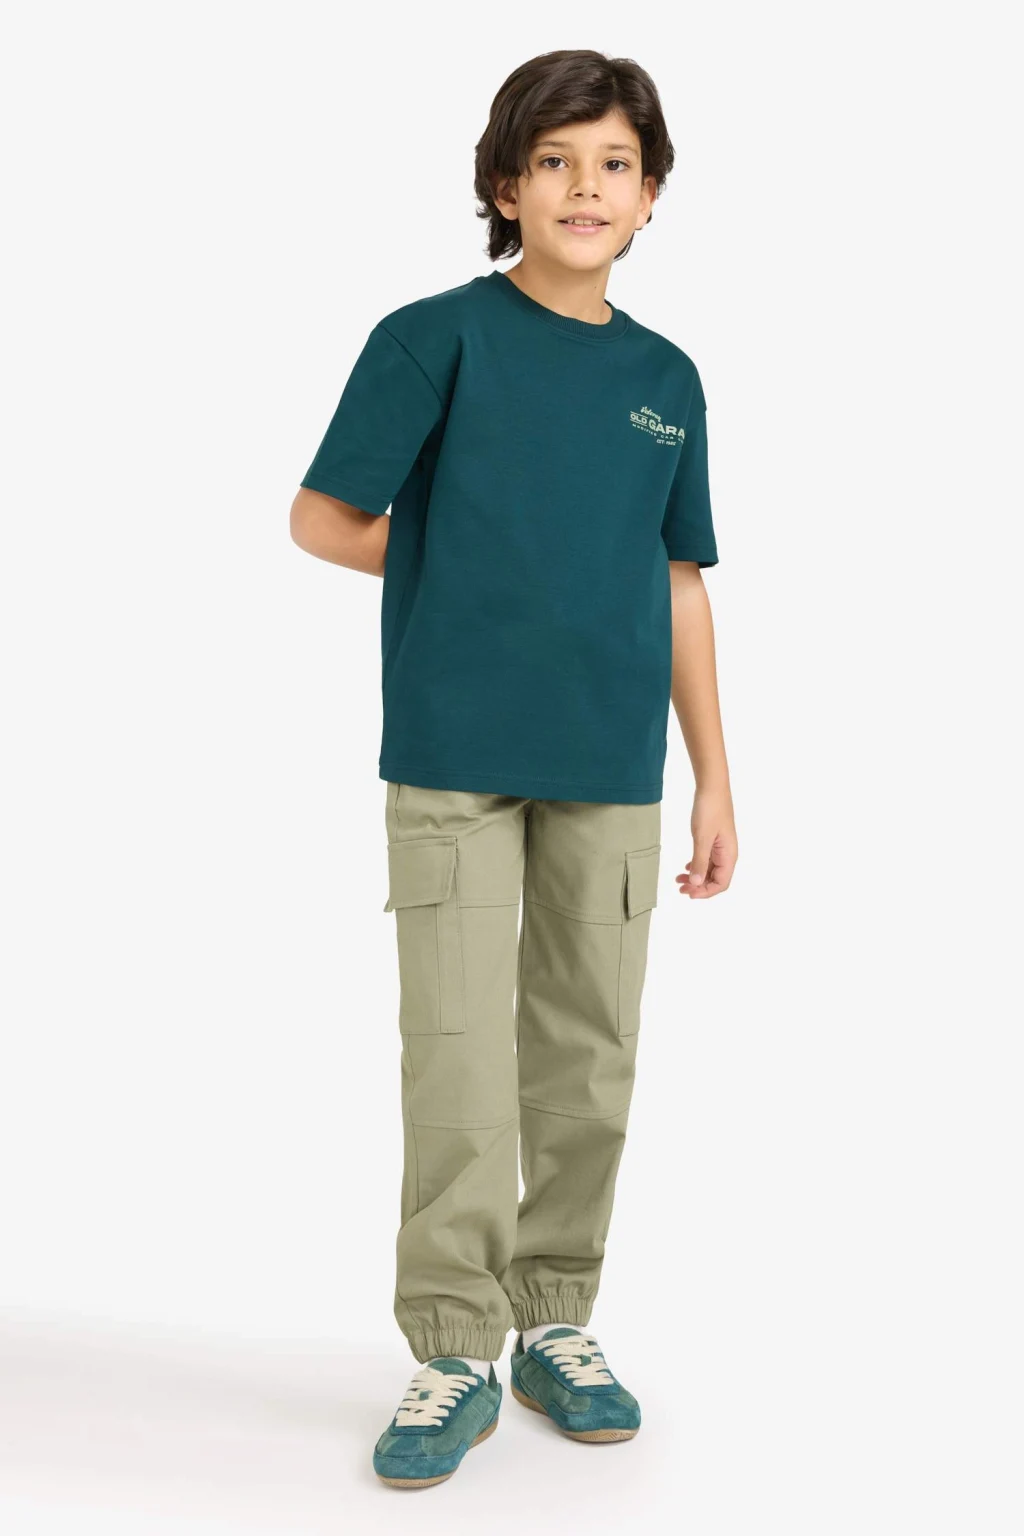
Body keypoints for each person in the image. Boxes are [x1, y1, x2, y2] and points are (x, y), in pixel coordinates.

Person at [290, 48, 737, 1490]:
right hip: (455, 756)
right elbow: (323, 518)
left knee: (589, 1058)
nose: (584, 187)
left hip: (611, 760)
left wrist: (716, 776)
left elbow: (678, 580)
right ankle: (451, 1348)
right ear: (505, 186)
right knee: (462, 1057)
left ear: (651, 196)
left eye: (614, 164)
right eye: (554, 161)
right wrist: (464, 573)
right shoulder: (435, 340)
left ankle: (557, 1322)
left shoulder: (666, 380)